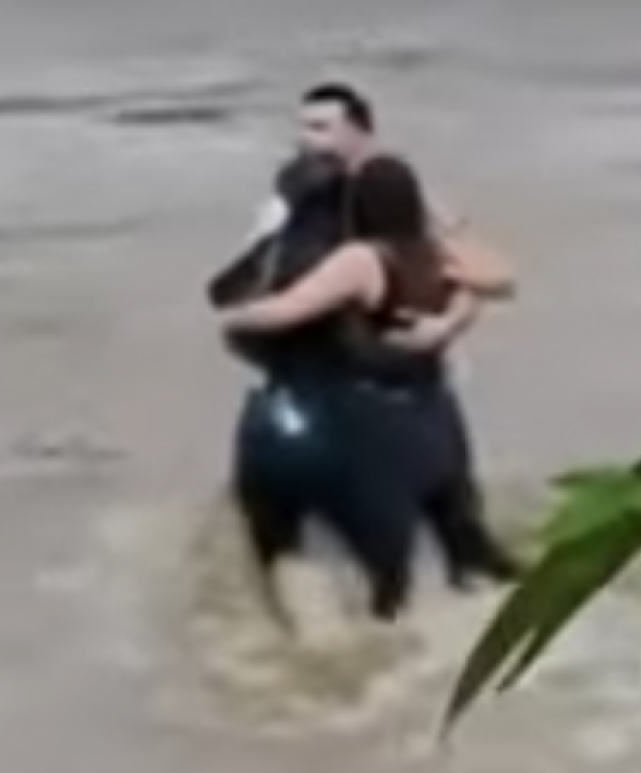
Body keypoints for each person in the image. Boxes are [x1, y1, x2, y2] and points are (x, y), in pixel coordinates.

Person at [220, 154, 516, 616]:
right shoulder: (436, 255)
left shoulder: (363, 260)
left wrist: (236, 315)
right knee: (467, 552)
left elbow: (290, 309)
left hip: (377, 429)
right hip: (434, 421)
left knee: (384, 587)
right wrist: (446, 328)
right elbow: (496, 281)